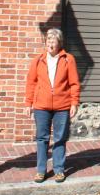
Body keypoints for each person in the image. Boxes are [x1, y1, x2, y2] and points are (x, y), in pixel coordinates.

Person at [25, 28, 80, 183]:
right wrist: (28, 103)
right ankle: (41, 170)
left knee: (60, 138)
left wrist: (74, 102)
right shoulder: (38, 60)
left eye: (53, 40)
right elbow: (31, 83)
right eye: (48, 40)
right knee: (42, 138)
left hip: (62, 106)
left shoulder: (68, 59)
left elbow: (74, 83)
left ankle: (59, 169)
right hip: (41, 106)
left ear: (59, 42)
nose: (50, 43)